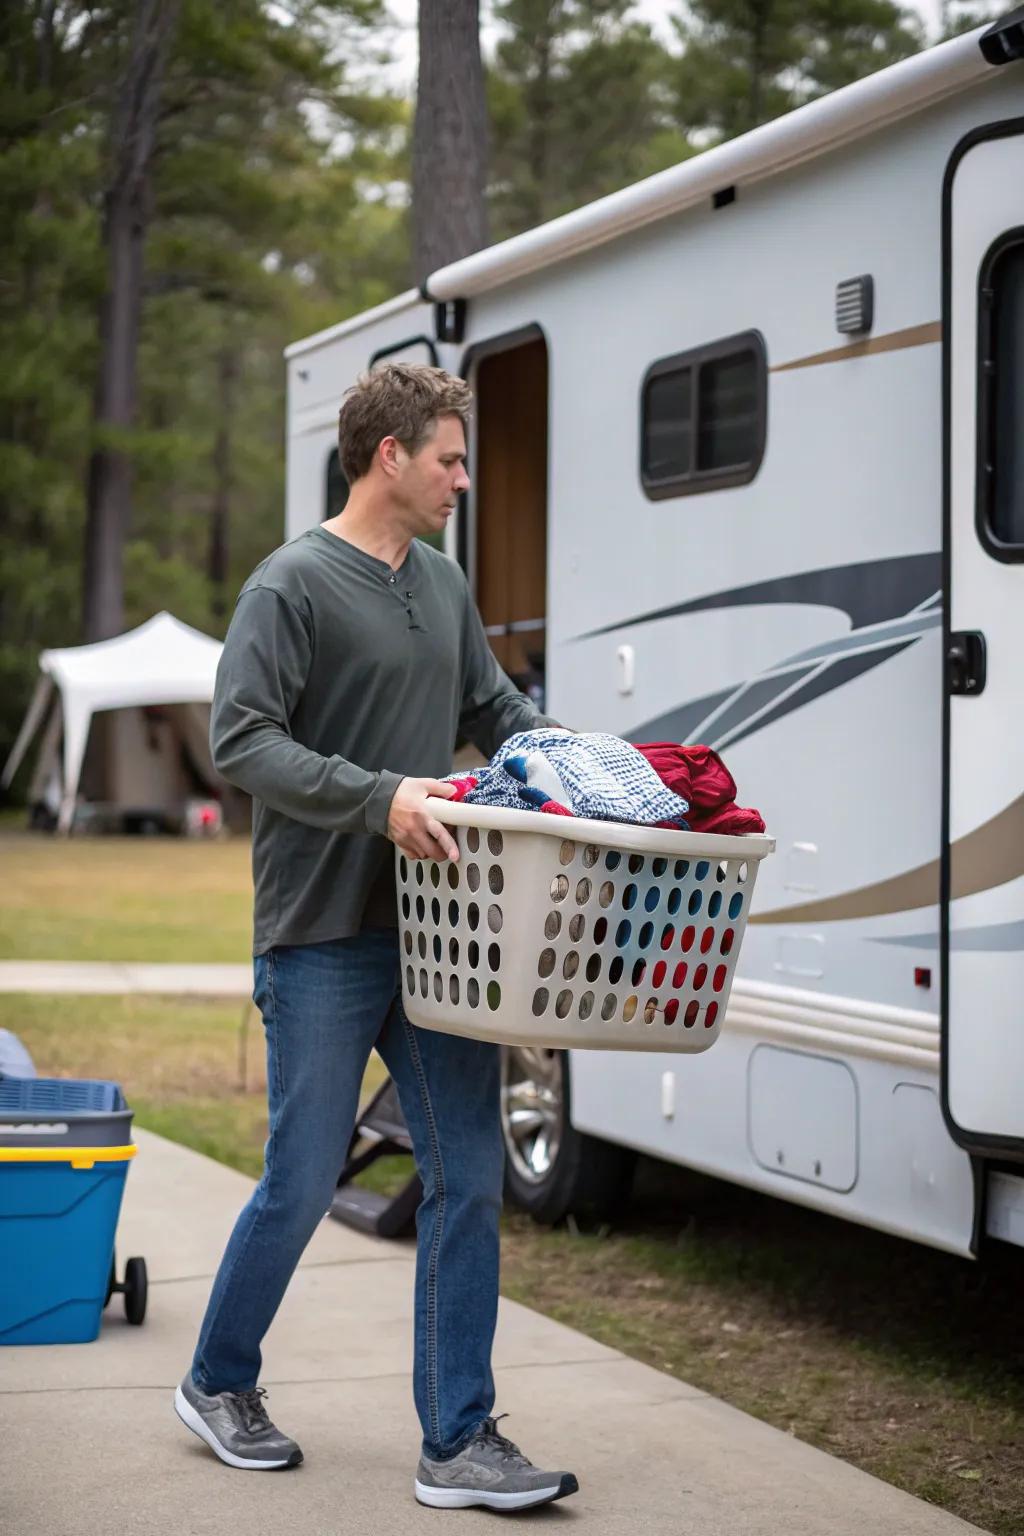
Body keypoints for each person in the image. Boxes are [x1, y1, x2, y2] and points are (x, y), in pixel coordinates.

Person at [173, 363, 579, 1512]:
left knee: (467, 1177)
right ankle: (216, 1380)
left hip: (442, 933)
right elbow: (241, 743)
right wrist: (382, 797)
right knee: (302, 1180)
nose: (463, 476)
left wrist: (580, 762)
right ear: (388, 456)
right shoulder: (290, 584)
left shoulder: (442, 585)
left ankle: (458, 1439)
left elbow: (492, 709)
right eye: (448, 457)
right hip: (317, 933)